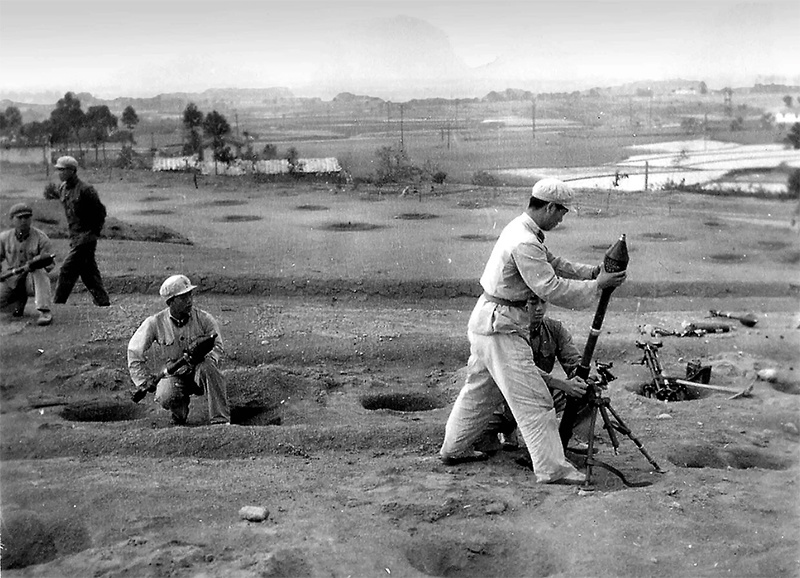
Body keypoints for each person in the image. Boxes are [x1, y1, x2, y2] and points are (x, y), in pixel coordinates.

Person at [439, 178, 626, 484]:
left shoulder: (522, 229)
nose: (562, 218)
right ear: (550, 207)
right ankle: (552, 470)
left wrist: (591, 272)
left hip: (489, 321)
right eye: (562, 212)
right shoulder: (525, 241)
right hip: (501, 326)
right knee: (536, 401)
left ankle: (454, 448)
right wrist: (597, 287)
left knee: (479, 393)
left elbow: (551, 262)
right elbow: (549, 287)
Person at [478, 294, 589, 453]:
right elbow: (524, 368)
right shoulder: (508, 330)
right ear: (521, 305)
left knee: (584, 390)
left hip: (540, 394)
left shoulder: (554, 329)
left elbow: (572, 359)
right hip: (506, 400)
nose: (539, 309)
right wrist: (562, 384)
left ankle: (567, 437)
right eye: (532, 303)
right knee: (479, 441)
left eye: (543, 302)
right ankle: (508, 429)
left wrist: (585, 375)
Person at [127, 274, 231, 426]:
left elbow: (218, 345)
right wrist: (143, 381)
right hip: (174, 374)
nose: (189, 300)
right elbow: (134, 351)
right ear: (170, 302)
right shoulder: (155, 323)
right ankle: (179, 415)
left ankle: (220, 421)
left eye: (190, 295)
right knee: (165, 394)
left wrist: (206, 358)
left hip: (199, 370)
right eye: (183, 297)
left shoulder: (204, 319)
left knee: (209, 369)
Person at [52, 156, 110, 307]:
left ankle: (58, 304)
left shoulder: (85, 190)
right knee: (88, 272)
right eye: (58, 170)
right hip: (75, 237)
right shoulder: (63, 189)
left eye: (63, 170)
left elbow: (100, 212)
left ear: (72, 171)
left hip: (86, 238)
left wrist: (93, 233)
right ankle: (103, 301)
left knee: (66, 269)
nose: (60, 173)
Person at [0, 203, 55, 325]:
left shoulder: (41, 237)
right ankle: (17, 303)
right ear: (12, 219)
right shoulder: (4, 238)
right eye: (19, 218)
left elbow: (50, 263)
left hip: (31, 281)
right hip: (12, 279)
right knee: (7, 308)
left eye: (27, 217)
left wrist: (35, 264)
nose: (24, 221)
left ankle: (44, 311)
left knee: (40, 272)